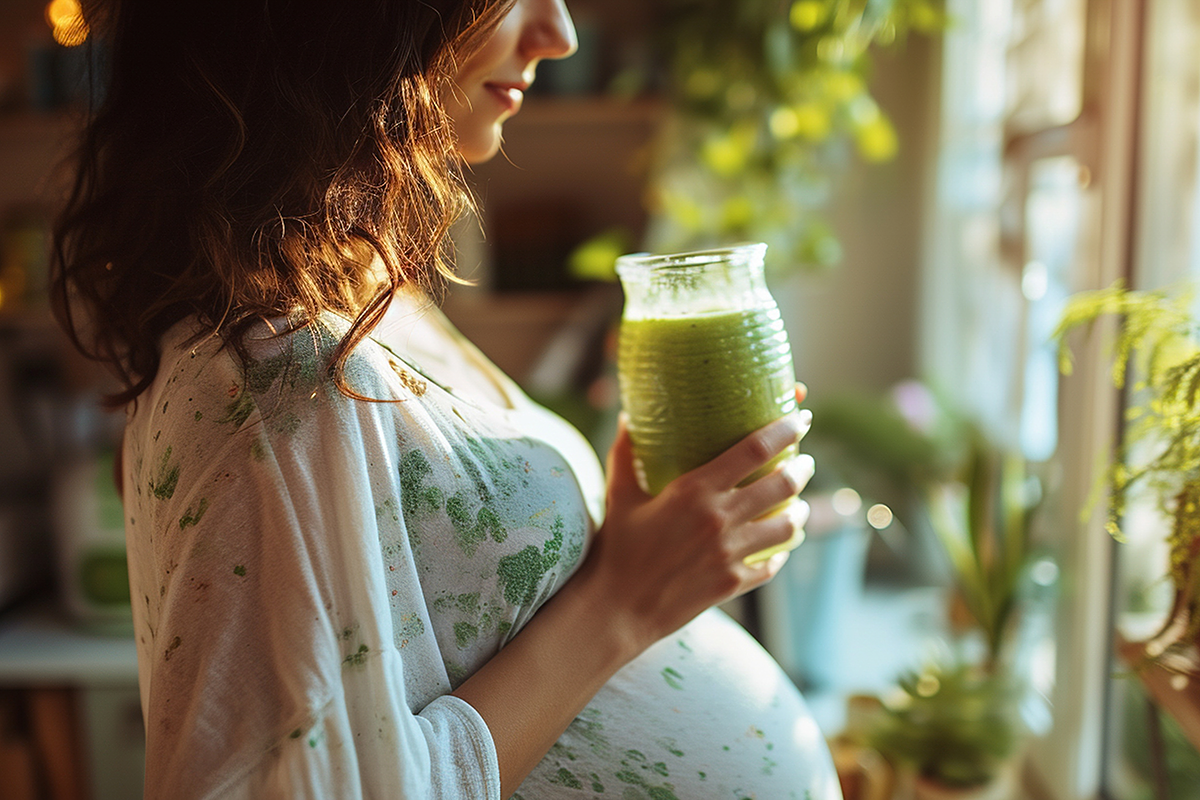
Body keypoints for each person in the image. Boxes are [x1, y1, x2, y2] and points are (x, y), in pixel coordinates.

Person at [51, 0, 841, 798]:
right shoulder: (269, 375)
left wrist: (640, 543)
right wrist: (623, 601)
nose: (559, 35)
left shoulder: (369, 298)